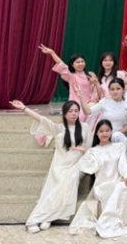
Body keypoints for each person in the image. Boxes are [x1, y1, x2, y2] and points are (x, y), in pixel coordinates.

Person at [9, 100, 93, 234]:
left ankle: (41, 218)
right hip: (60, 165)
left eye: (76, 111)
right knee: (56, 187)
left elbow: (90, 149)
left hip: (77, 164)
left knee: (70, 180)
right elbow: (42, 119)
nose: (74, 114)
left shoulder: (85, 127)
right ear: (64, 114)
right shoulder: (59, 128)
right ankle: (42, 218)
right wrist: (24, 108)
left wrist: (83, 150)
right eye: (70, 111)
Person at [69, 120, 127, 238]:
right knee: (116, 187)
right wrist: (86, 153)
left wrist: (126, 176)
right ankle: (106, 224)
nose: (104, 133)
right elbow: (89, 168)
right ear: (97, 133)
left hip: (117, 181)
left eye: (107, 131)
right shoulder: (93, 151)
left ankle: (120, 221)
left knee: (124, 186)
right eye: (101, 131)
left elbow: (122, 164)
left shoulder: (119, 147)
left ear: (111, 132)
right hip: (102, 185)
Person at [39, 44, 97, 122]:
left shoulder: (90, 75)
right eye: (77, 62)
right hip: (76, 104)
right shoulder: (71, 76)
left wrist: (93, 100)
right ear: (72, 65)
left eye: (82, 61)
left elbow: (95, 91)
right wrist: (52, 53)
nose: (80, 64)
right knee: (79, 118)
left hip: (90, 103)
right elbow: (62, 65)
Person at [77, 78, 127, 144]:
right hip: (104, 136)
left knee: (116, 136)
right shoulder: (104, 102)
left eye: (118, 89)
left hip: (119, 138)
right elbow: (87, 111)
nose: (115, 92)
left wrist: (118, 132)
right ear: (109, 91)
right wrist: (81, 96)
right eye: (112, 89)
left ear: (123, 90)